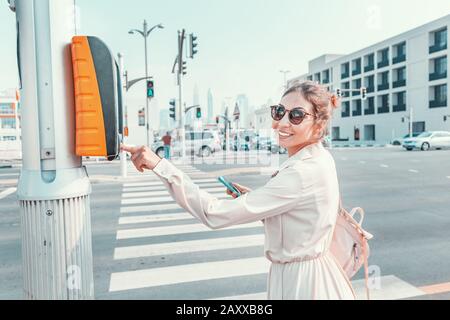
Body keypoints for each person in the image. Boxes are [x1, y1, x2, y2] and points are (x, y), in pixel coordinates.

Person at [121, 81, 356, 300]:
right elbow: (304, 220)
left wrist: (160, 165)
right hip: (316, 273)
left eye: (296, 116)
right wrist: (258, 202)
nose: (282, 123)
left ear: (319, 124)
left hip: (303, 285)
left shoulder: (300, 172)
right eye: (279, 112)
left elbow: (214, 213)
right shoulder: (320, 158)